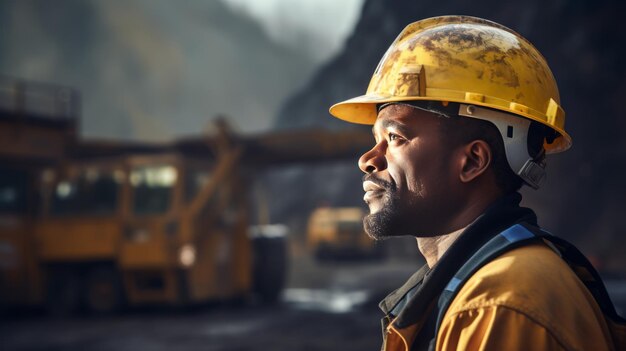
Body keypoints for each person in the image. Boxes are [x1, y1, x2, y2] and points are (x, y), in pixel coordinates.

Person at [328, 16, 620, 350]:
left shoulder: (499, 307)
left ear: (472, 161)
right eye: (376, 138)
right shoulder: (485, 287)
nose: (368, 159)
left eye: (394, 137)